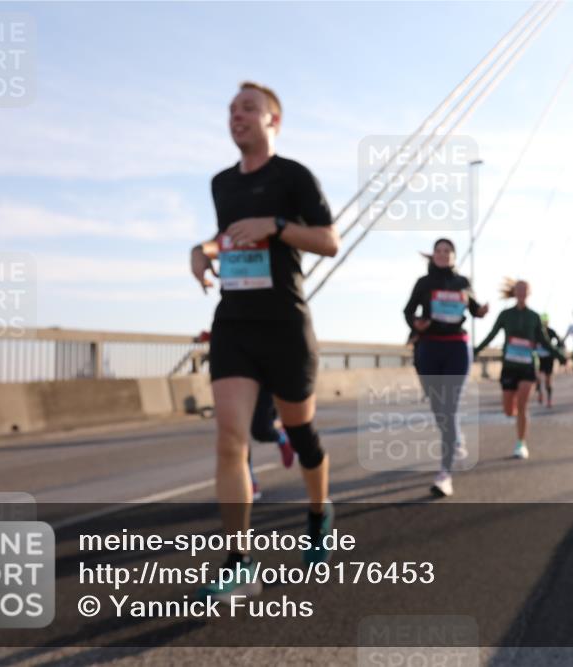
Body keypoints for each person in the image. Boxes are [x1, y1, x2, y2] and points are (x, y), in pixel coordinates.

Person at [190, 81, 340, 604]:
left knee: (300, 433)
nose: (237, 116)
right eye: (231, 109)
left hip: (284, 323)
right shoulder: (220, 183)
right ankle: (239, 562)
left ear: (273, 121)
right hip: (234, 321)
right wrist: (202, 249)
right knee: (230, 438)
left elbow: (328, 240)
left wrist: (276, 226)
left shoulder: (294, 177)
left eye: (249, 109)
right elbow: (228, 238)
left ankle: (319, 514)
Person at [403, 238, 489, 498]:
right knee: (437, 407)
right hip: (429, 348)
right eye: (438, 251)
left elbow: (474, 309)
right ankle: (456, 437)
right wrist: (416, 323)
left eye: (447, 251)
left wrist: (482, 310)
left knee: (449, 407)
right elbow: (408, 311)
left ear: (454, 256)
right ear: (433, 255)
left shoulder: (463, 282)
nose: (442, 254)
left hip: (457, 348)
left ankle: (444, 474)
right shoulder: (424, 283)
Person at [474, 279, 554, 460]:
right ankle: (517, 417)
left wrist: (559, 355)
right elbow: (492, 334)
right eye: (519, 289)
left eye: (525, 289)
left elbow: (544, 340)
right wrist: (476, 350)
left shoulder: (534, 316)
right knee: (509, 410)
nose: (522, 292)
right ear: (514, 292)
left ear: (529, 292)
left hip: (527, 366)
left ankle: (521, 443)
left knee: (523, 405)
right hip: (509, 367)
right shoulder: (505, 315)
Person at [534, 313, 563, 408]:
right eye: (542, 321)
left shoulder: (551, 331)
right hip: (539, 358)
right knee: (537, 378)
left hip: (549, 358)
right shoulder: (536, 332)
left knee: (548, 381)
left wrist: (555, 349)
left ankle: (549, 400)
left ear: (548, 322)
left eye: (545, 321)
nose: (544, 323)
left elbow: (560, 341)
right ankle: (540, 393)